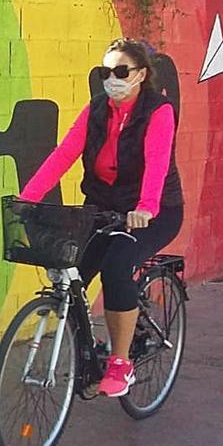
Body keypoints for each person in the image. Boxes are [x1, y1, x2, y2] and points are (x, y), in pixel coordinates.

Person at [19, 38, 184, 398]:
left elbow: (157, 164)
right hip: (102, 209)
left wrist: (146, 208)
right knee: (73, 267)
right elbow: (63, 155)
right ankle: (89, 350)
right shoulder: (96, 110)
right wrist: (26, 198)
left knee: (115, 266)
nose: (112, 78)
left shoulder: (158, 111)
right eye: (106, 72)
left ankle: (120, 362)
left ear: (140, 74)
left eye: (121, 71)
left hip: (154, 211)